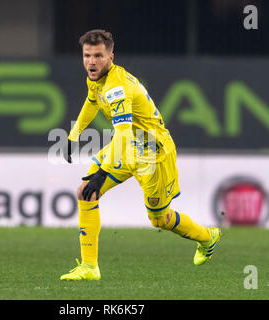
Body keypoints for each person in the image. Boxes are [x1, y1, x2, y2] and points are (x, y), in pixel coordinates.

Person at [60, 29, 221, 281]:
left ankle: (207, 237)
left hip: (154, 155)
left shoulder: (117, 88)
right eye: (87, 55)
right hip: (129, 148)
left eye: (98, 56)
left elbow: (122, 135)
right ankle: (90, 267)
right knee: (85, 192)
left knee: (160, 219)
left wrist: (102, 172)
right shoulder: (96, 78)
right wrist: (74, 134)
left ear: (111, 58)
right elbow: (92, 101)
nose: (91, 62)